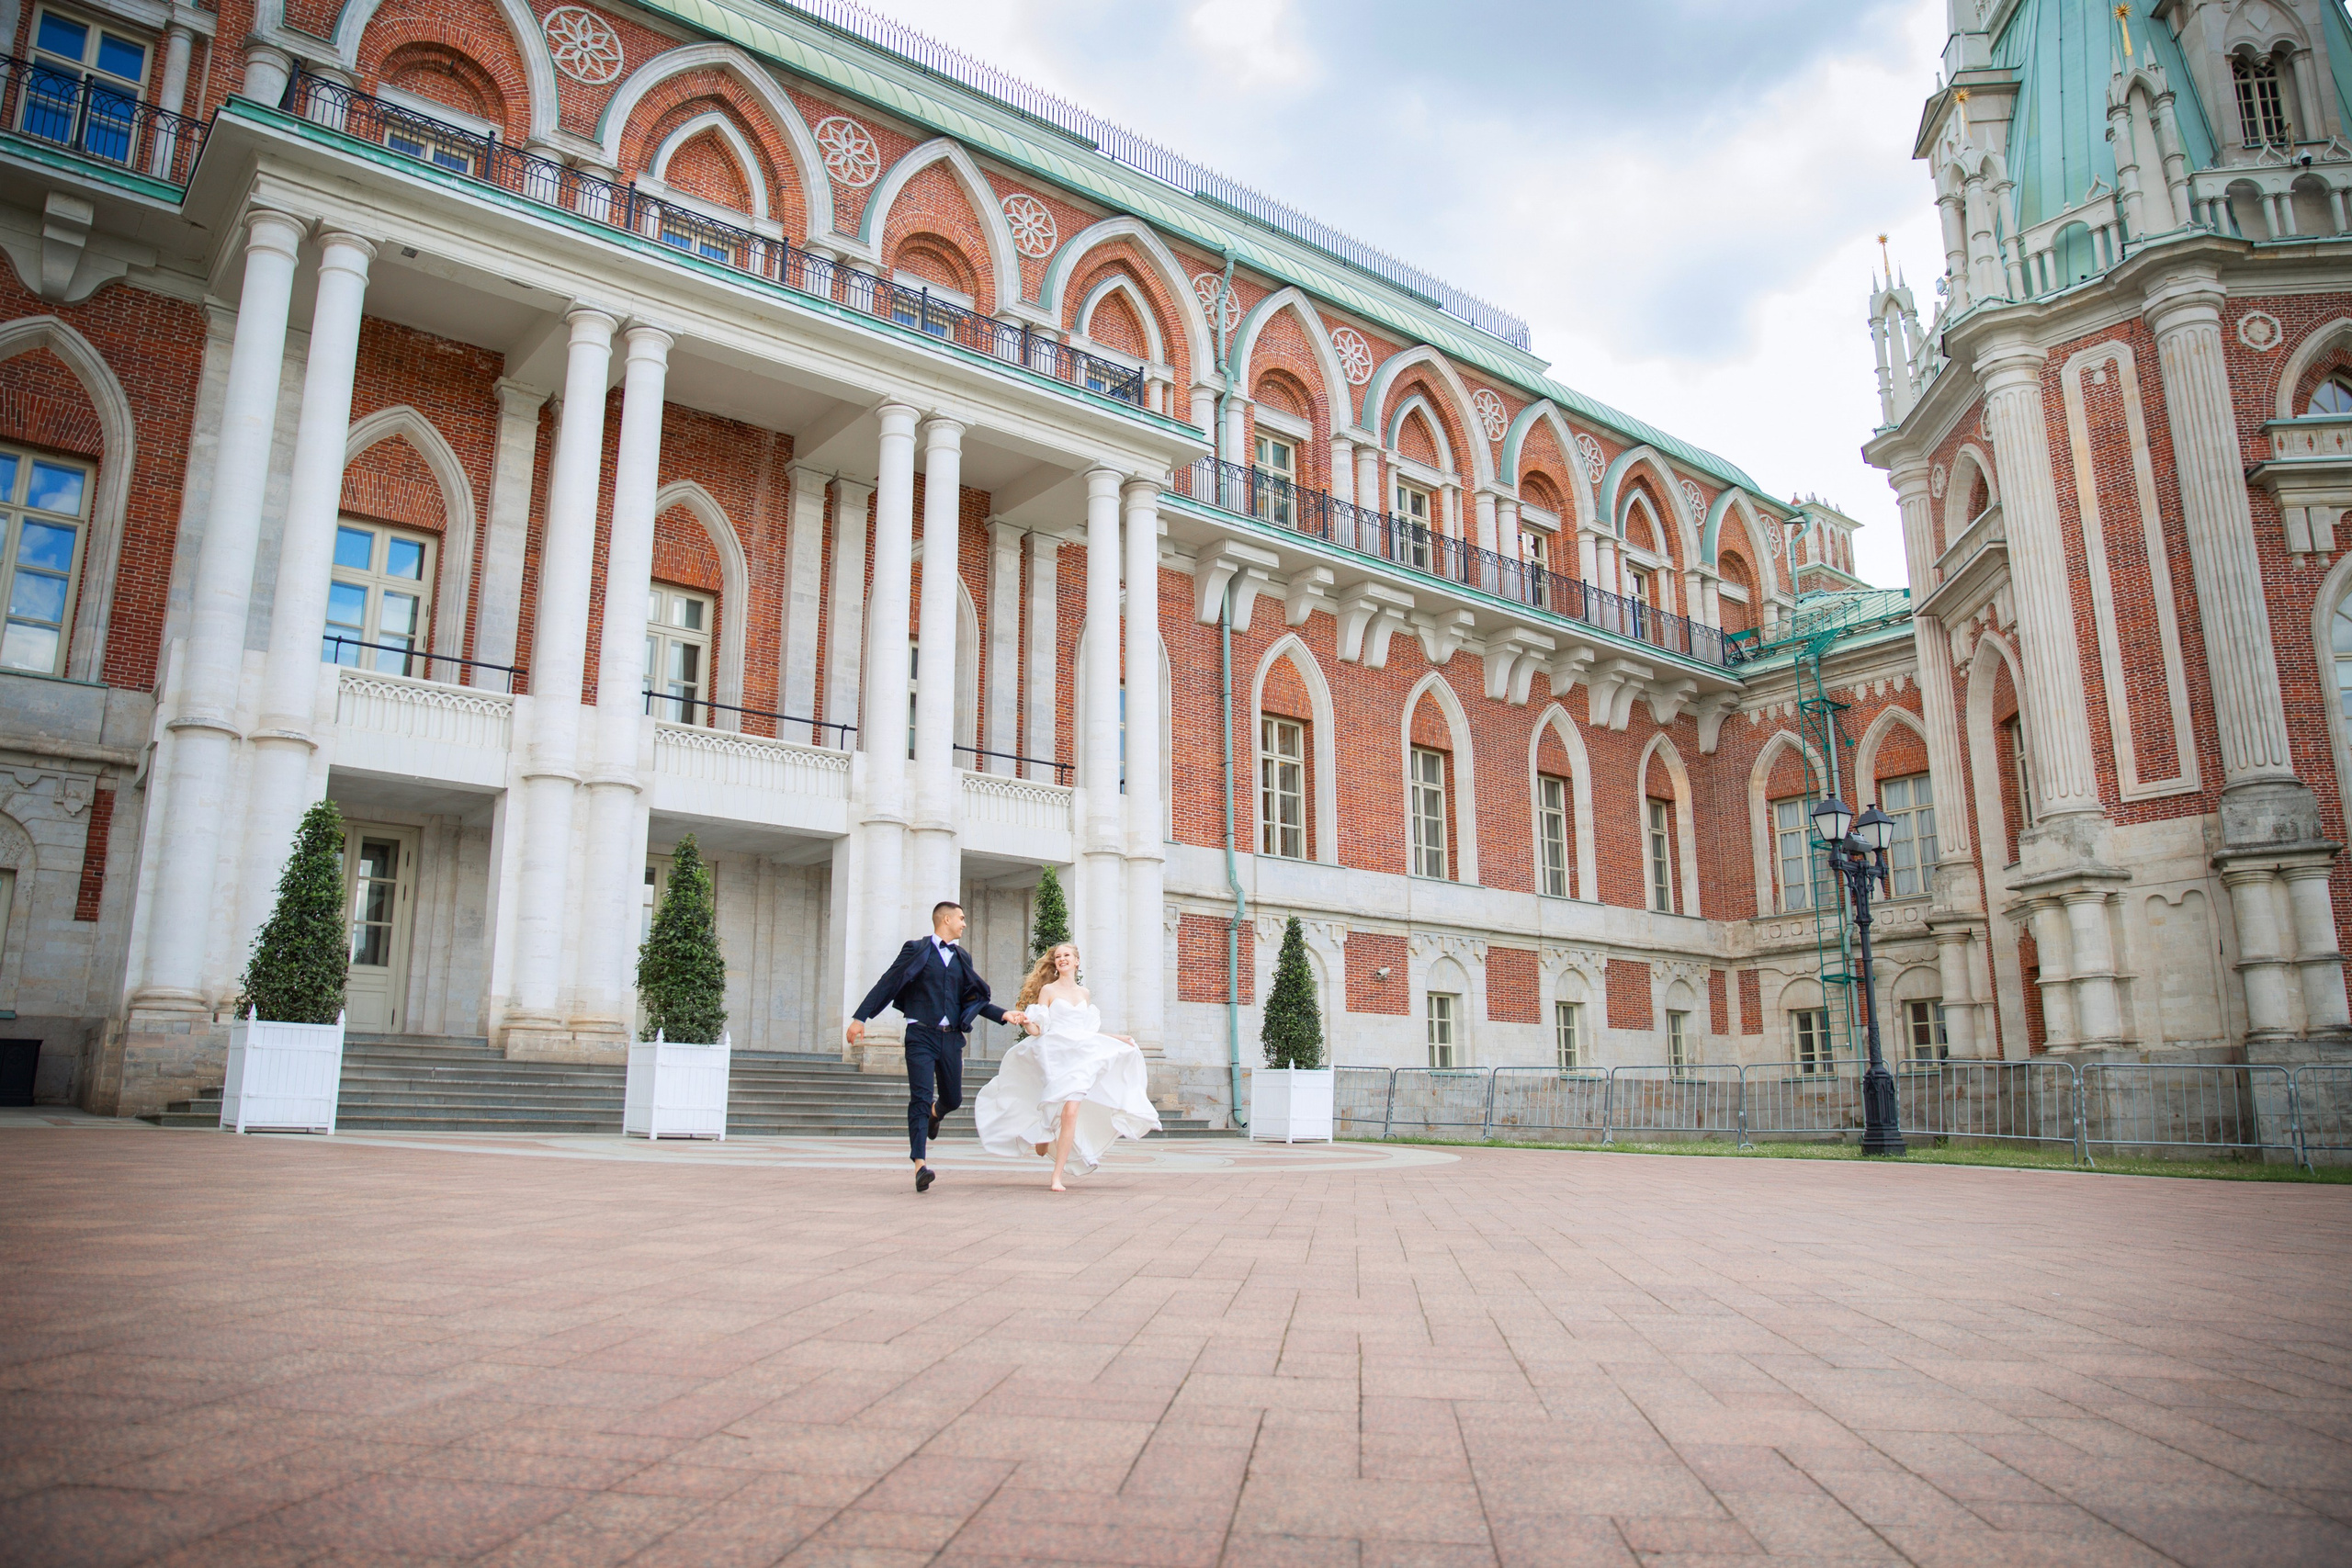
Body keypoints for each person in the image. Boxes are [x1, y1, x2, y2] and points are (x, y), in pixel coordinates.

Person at [847, 901, 1023, 1193]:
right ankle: (920, 1165)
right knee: (919, 1096)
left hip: (951, 1037)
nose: (964, 924)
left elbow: (974, 1000)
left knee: (952, 1098)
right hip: (920, 1035)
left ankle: (936, 1113)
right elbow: (888, 982)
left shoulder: (961, 957)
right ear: (945, 919)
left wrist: (1003, 1014)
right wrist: (860, 1018)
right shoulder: (916, 949)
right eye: (961, 918)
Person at [974, 942, 1161, 1190]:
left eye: (1067, 955)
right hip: (1056, 1055)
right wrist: (1025, 1021)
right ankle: (1044, 1133)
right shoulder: (1048, 990)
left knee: (1071, 1111)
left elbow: (1088, 1032)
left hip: (1081, 1058)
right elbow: (1039, 1027)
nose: (1062, 959)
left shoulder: (1084, 993)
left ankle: (1056, 1176)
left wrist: (1119, 1038)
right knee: (1055, 1105)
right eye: (1058, 956)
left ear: (1076, 962)